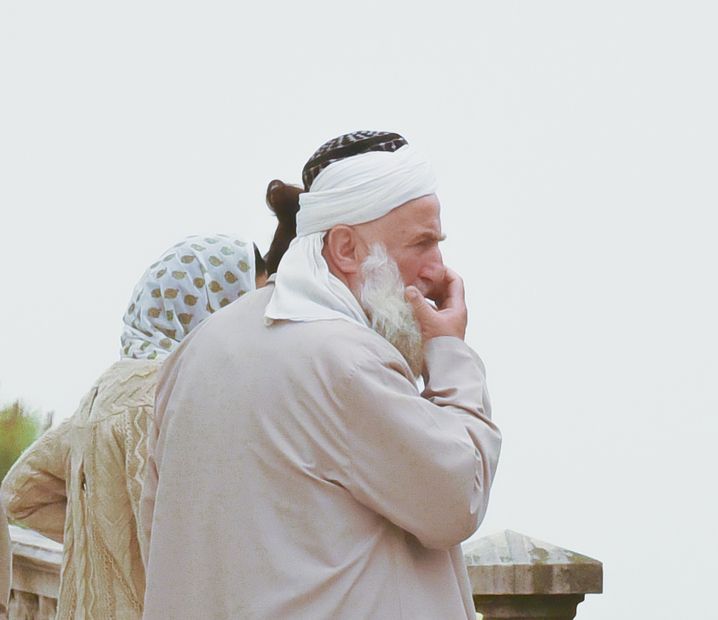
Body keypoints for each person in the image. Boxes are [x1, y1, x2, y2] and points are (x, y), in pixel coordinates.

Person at [141, 131, 502, 619]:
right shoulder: (346, 362)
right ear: (345, 248)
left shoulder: (199, 347)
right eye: (422, 243)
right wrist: (449, 352)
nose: (438, 270)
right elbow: (458, 497)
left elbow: (155, 528)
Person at [0, 234, 259, 620]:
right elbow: (172, 545)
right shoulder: (167, 396)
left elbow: (21, 491)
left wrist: (104, 544)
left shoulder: (107, 390)